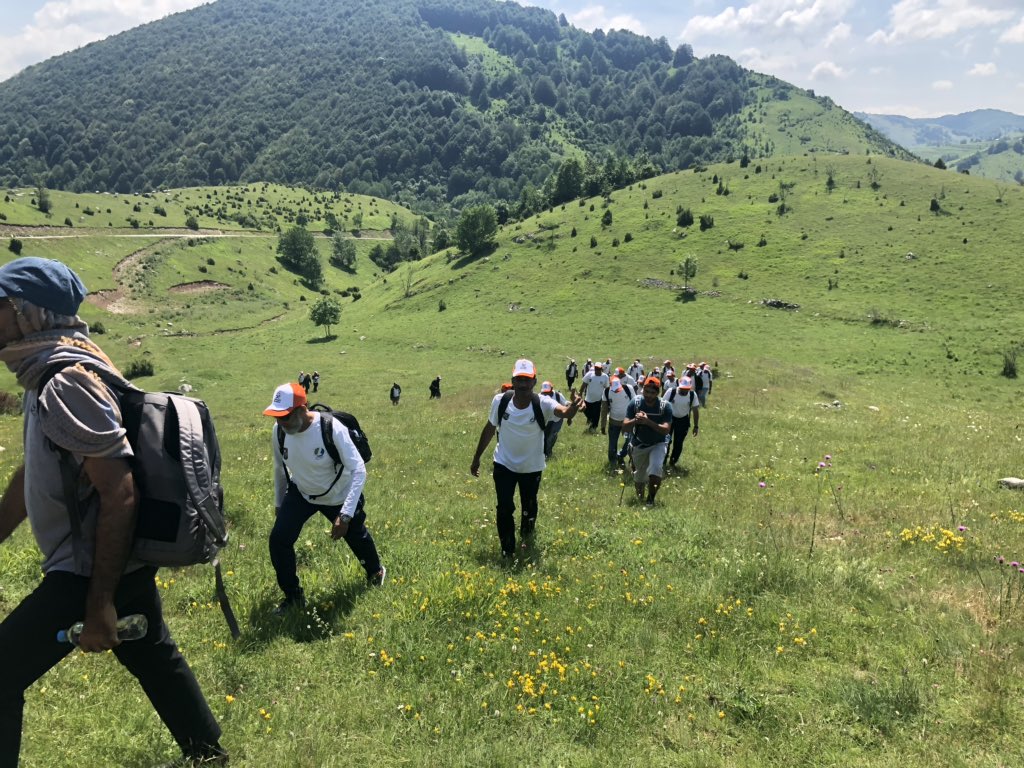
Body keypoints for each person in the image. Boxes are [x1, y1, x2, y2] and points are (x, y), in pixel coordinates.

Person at [0, 257, 225, 766]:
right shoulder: (46, 374)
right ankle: (210, 756)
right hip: (109, 563)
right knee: (156, 659)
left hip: (84, 570)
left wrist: (99, 600)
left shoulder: (65, 383)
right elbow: (33, 473)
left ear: (27, 313)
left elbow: (120, 492)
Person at [264, 382, 385, 614]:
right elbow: (280, 468)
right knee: (279, 540)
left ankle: (376, 572)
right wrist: (280, 504)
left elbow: (358, 469)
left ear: (303, 408)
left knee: (356, 536)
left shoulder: (330, 428)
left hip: (338, 494)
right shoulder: (279, 432)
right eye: (276, 417)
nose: (281, 422)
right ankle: (293, 597)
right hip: (302, 493)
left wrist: (346, 515)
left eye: (286, 416)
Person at [470, 359, 583, 557]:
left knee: (529, 506)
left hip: (531, 467)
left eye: (527, 380)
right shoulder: (500, 401)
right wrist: (477, 457)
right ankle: (508, 550)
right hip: (503, 464)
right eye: (519, 379)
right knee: (504, 507)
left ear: (534, 382)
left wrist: (573, 406)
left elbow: (564, 412)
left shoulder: (543, 403)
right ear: (512, 381)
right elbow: (489, 428)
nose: (522, 384)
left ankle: (527, 535)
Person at [623, 376, 673, 507]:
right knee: (639, 477)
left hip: (658, 443)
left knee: (655, 468)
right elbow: (625, 426)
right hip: (639, 444)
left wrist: (648, 422)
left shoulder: (665, 406)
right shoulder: (635, 403)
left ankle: (650, 499)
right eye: (646, 391)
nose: (649, 395)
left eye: (653, 393)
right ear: (642, 390)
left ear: (658, 393)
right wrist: (636, 420)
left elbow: (666, 430)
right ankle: (640, 498)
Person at [665, 376, 700, 469]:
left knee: (678, 443)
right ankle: (663, 460)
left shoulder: (692, 395)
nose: (684, 391)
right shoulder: (671, 392)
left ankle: (673, 461)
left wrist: (696, 426)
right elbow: (662, 405)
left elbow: (695, 410)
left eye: (686, 389)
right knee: (665, 441)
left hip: (683, 420)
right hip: (669, 419)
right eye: (682, 389)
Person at [605, 375, 635, 470]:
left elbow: (635, 402)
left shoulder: (628, 389)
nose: (616, 390)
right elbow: (604, 408)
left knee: (630, 441)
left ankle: (621, 454)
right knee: (612, 442)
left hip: (629, 421)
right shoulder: (606, 391)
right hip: (614, 421)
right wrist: (602, 425)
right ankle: (612, 461)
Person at [540, 380, 568, 458]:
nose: (546, 394)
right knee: (544, 436)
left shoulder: (558, 395)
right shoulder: (540, 397)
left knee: (551, 436)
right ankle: (543, 453)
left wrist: (569, 418)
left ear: (552, 389)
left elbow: (565, 405)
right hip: (546, 420)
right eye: (544, 392)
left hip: (557, 420)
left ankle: (548, 453)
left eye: (547, 392)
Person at [580, 361, 609, 433]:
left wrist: (607, 399)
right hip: (588, 399)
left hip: (598, 400)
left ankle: (593, 427)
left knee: (596, 415)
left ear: (601, 369)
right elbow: (584, 384)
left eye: (599, 369)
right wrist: (580, 394)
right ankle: (590, 421)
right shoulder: (589, 374)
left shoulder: (605, 377)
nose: (597, 370)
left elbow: (607, 388)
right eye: (596, 368)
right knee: (586, 412)